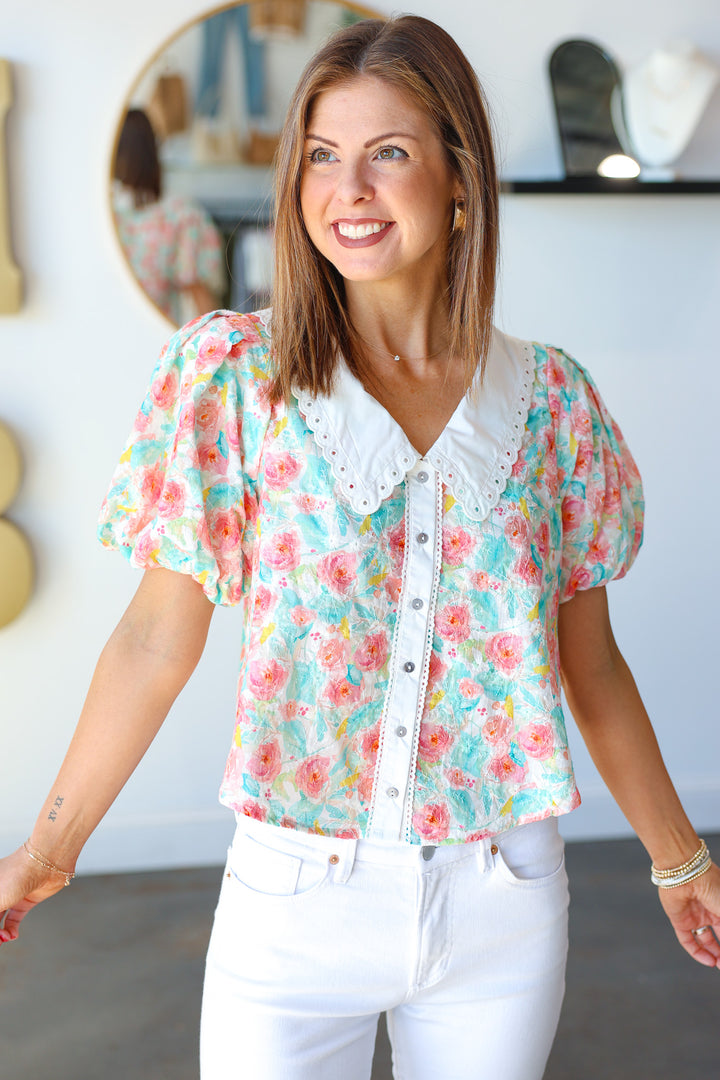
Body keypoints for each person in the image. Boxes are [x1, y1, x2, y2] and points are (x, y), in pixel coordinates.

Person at [1, 15, 719, 1080]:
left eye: (389, 153)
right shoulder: (234, 379)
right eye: (324, 159)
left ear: (459, 176)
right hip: (291, 907)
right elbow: (157, 638)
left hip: (503, 907)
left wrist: (680, 859)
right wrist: (49, 846)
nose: (350, 190)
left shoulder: (555, 403)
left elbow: (591, 662)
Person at [112, 108, 225, 324]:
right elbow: (201, 299)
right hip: (158, 347)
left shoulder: (99, 220)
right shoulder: (181, 216)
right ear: (152, 151)